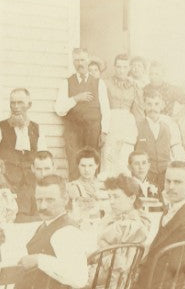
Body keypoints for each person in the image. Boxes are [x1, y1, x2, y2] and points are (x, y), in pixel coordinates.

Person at [129, 161, 185, 289]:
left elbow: (177, 266)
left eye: (178, 182)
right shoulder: (171, 209)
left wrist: (137, 274)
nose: (171, 187)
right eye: (168, 181)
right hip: (158, 282)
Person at [16, 175, 90, 289]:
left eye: (50, 200)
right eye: (39, 200)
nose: (43, 206)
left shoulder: (67, 232)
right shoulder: (48, 223)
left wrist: (39, 260)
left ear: (65, 199)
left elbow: (79, 278)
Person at [55, 47, 110, 179]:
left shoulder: (99, 83)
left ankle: (92, 195)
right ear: (73, 62)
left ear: (88, 61)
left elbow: (105, 109)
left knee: (92, 164)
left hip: (93, 130)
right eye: (76, 60)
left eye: (83, 59)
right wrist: (76, 98)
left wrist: (104, 132)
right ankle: (75, 196)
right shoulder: (66, 83)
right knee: (74, 165)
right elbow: (59, 110)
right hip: (73, 130)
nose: (80, 63)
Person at [0, 87, 40, 219]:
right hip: (8, 184)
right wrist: (0, 178)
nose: (15, 107)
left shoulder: (36, 128)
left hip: (31, 185)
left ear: (29, 105)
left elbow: (43, 157)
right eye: (12, 103)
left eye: (20, 103)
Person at [102, 52, 139, 178]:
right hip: (111, 121)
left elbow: (137, 111)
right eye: (118, 67)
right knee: (109, 158)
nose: (121, 70)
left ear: (129, 68)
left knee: (124, 159)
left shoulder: (134, 86)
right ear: (114, 67)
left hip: (127, 124)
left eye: (124, 67)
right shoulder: (105, 83)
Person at [133, 87, 175, 189]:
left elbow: (173, 153)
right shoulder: (136, 126)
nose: (153, 108)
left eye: (156, 104)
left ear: (162, 106)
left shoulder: (168, 127)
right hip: (145, 176)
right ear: (144, 106)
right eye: (149, 104)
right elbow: (128, 154)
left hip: (165, 176)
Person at [96, 174, 151, 247]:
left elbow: (100, 238)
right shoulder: (117, 215)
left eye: (116, 197)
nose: (111, 202)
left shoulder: (132, 223)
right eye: (109, 197)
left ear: (132, 198)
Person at [67, 147, 106, 221]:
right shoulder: (73, 186)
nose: (86, 170)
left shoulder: (103, 185)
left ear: (97, 165)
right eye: (83, 166)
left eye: (90, 165)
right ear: (78, 165)